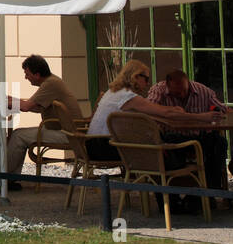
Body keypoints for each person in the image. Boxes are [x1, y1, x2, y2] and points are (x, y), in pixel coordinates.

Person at [86, 60, 221, 166]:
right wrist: (202, 117)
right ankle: (188, 183)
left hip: (94, 145)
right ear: (136, 76)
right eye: (146, 79)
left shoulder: (113, 92)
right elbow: (165, 113)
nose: (147, 83)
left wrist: (172, 110)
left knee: (167, 143)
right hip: (107, 148)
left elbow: (155, 112)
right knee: (172, 147)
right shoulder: (128, 96)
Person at [148, 68, 233, 192]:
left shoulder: (203, 91)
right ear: (167, 85)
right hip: (172, 138)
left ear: (188, 82)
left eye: (184, 91)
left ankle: (212, 188)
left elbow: (223, 109)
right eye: (177, 93)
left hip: (197, 137)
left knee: (219, 143)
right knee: (171, 145)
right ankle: (182, 188)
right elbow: (148, 109)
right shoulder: (159, 90)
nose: (181, 95)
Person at [1, 54, 81, 190]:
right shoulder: (52, 81)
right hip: (65, 130)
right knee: (19, 134)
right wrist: (10, 99)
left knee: (18, 136)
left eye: (27, 74)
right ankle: (9, 177)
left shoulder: (50, 84)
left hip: (67, 134)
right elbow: (36, 107)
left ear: (37, 74)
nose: (25, 77)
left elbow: (26, 106)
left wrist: (3, 101)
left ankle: (3, 179)